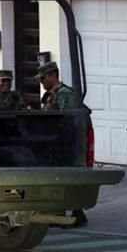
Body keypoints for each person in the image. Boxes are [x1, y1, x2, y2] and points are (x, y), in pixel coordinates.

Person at [35, 61, 87, 227]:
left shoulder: (64, 94)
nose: (41, 82)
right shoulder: (52, 94)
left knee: (70, 178)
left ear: (52, 75)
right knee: (58, 179)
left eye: (43, 78)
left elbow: (69, 120)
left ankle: (77, 213)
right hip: (56, 143)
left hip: (67, 143)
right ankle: (60, 212)